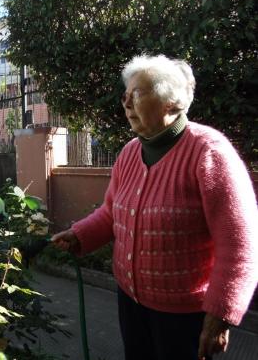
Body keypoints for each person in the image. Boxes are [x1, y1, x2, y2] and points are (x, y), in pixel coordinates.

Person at [52, 54, 258, 360]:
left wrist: (220, 316)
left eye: (137, 93)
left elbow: (239, 245)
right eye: (125, 94)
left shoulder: (209, 152)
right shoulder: (129, 153)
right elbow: (112, 212)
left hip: (184, 316)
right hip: (130, 302)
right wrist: (79, 234)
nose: (125, 102)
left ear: (171, 103)